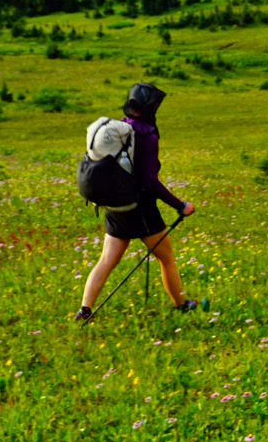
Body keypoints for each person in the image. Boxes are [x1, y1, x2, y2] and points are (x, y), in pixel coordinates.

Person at [75, 82, 198, 320]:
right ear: (152, 108)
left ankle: (85, 310)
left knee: (106, 261)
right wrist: (180, 206)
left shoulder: (121, 129)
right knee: (166, 258)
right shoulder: (147, 137)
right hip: (140, 208)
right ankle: (182, 304)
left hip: (115, 205)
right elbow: (149, 181)